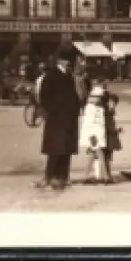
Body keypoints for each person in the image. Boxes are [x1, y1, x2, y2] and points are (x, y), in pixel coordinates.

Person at [38, 46, 81, 190]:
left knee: (66, 149)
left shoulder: (69, 76)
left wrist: (76, 109)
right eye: (69, 61)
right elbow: (44, 96)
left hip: (69, 118)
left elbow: (74, 95)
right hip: (57, 119)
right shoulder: (51, 75)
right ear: (61, 61)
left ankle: (63, 177)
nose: (70, 64)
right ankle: (49, 177)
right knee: (55, 150)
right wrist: (53, 112)